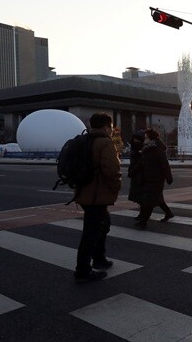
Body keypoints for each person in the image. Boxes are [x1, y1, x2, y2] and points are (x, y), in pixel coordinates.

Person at [74, 112, 121, 284]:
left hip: (84, 194)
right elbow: (111, 170)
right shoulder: (105, 142)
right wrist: (116, 187)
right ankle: (83, 270)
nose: (111, 130)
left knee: (103, 224)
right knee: (91, 233)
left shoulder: (84, 140)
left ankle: (99, 258)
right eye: (110, 126)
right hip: (96, 196)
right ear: (105, 127)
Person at [134, 128, 174, 229]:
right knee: (157, 199)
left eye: (146, 138)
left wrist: (169, 178)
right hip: (148, 179)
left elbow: (165, 165)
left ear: (151, 139)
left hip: (156, 180)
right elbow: (141, 163)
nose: (144, 139)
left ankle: (144, 221)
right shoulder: (147, 149)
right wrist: (132, 172)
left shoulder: (157, 150)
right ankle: (168, 213)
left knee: (149, 201)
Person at [127, 130, 145, 206]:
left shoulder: (144, 149)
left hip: (141, 174)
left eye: (137, 139)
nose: (135, 141)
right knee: (137, 193)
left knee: (142, 194)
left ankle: (143, 211)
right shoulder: (134, 148)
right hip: (135, 173)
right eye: (134, 139)